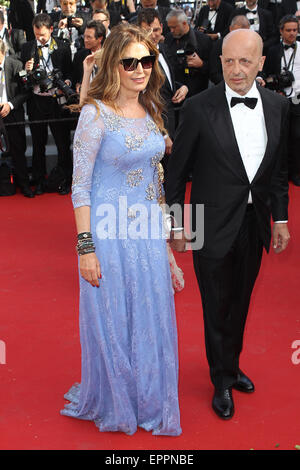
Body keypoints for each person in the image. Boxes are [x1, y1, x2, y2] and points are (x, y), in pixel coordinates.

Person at [60, 23, 181, 436]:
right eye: (129, 61)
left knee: (149, 316)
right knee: (115, 319)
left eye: (145, 60)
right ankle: (117, 399)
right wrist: (85, 248)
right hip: (109, 237)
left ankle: (147, 399)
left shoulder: (149, 109)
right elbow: (79, 186)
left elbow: (155, 181)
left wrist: (166, 247)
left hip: (146, 234)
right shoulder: (96, 115)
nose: (139, 69)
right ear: (113, 64)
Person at [166, 29, 290, 420]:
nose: (236, 70)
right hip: (207, 222)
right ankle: (220, 378)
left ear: (260, 63)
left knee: (240, 302)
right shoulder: (200, 108)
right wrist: (176, 224)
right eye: (229, 61)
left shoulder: (277, 106)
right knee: (215, 305)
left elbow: (278, 171)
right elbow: (175, 174)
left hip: (254, 223)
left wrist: (281, 218)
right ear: (220, 61)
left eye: (245, 61)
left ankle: (232, 365)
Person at [21, 13, 73, 195]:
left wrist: (66, 83)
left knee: (62, 143)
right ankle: (39, 180)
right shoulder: (27, 47)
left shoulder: (63, 47)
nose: (39, 38)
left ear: (51, 30)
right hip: (37, 101)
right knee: (38, 143)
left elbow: (70, 74)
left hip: (57, 101)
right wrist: (25, 71)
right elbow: (22, 78)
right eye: (36, 35)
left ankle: (66, 179)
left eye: (42, 34)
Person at [263, 14, 300, 186]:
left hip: (298, 100)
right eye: (289, 30)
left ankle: (296, 172)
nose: (292, 33)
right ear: (281, 31)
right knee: (280, 138)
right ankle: (281, 174)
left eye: (295, 30)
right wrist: (274, 89)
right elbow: (267, 75)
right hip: (279, 100)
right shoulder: (272, 50)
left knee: (297, 137)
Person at [0, 39, 33, 197]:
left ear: (3, 52)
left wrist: (10, 105)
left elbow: (26, 92)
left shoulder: (15, 64)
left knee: (18, 150)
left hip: (12, 113)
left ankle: (24, 184)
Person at [164, 9, 212, 97]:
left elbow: (213, 69)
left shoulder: (203, 40)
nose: (171, 30)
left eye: (174, 27)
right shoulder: (168, 38)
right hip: (174, 91)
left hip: (197, 94)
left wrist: (201, 64)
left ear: (184, 23)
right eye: (169, 27)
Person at [209, 15, 251, 85]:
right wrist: (232, 84)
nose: (241, 36)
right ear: (230, 29)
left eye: (245, 33)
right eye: (238, 32)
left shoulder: (251, 45)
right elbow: (214, 73)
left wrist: (259, 78)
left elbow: (256, 65)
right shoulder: (219, 45)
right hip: (225, 85)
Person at [72, 20, 106, 93]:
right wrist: (77, 84)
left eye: (89, 37)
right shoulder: (79, 56)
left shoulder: (109, 56)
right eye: (84, 36)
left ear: (100, 38)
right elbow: (74, 78)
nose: (85, 40)